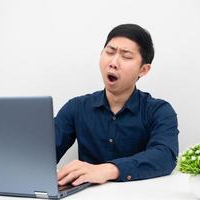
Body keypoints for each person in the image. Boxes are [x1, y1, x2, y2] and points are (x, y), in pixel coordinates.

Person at [55, 24, 179, 187]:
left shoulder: (159, 111)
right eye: (109, 52)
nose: (113, 62)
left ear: (143, 70)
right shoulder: (76, 107)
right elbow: (42, 153)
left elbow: (165, 156)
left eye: (126, 56)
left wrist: (108, 170)